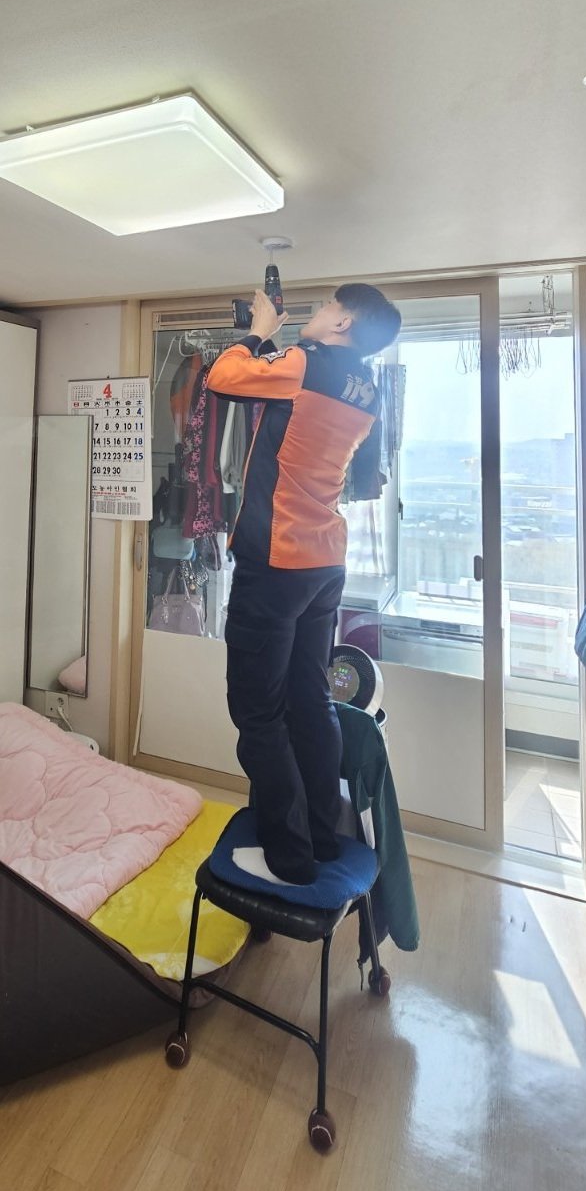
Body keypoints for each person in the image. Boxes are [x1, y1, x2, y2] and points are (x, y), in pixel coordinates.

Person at [206, 283, 401, 884]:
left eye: (324, 308)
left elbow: (222, 376)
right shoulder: (368, 388)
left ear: (343, 323)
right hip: (324, 563)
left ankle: (287, 859)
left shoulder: (306, 364)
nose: (314, 315)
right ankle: (321, 836)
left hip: (276, 560)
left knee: (258, 713)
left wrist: (258, 331)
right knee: (311, 702)